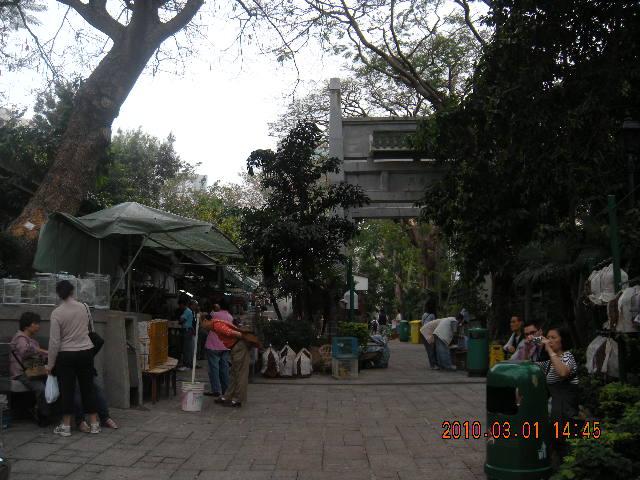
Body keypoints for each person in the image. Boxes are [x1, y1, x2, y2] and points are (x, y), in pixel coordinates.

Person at [47, 280, 99, 437]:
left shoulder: (57, 313)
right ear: (72, 291)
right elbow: (91, 329)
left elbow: (54, 342)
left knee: (67, 390)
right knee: (88, 388)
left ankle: (66, 426)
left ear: (58, 294)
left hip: (66, 355)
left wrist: (50, 364)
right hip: (85, 352)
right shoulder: (84, 307)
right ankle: (94, 424)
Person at [536, 326, 579, 460]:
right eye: (548, 338)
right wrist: (531, 343)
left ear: (562, 340)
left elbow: (563, 372)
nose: (549, 341)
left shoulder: (568, 356)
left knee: (565, 448)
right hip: (555, 412)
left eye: (553, 338)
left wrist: (549, 350)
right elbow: (530, 366)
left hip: (566, 412)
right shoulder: (549, 363)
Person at [200, 313, 251, 407]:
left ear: (205, 321)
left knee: (240, 374)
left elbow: (234, 333)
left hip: (239, 346)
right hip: (236, 347)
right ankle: (228, 396)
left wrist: (246, 338)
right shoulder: (216, 324)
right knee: (233, 373)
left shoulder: (217, 325)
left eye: (201, 324)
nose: (201, 327)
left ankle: (238, 400)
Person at [10, 312, 49, 424]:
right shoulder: (20, 337)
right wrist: (43, 351)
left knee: (53, 381)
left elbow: (38, 357)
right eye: (35, 323)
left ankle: (39, 409)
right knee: (41, 388)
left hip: (33, 370)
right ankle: (43, 415)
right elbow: (25, 350)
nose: (38, 326)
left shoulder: (32, 340)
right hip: (22, 373)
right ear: (27, 325)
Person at [203, 298, 234, 398]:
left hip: (213, 345)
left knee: (214, 369)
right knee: (224, 369)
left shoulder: (214, 314)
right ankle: (226, 390)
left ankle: (216, 390)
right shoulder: (230, 317)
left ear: (220, 305)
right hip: (225, 346)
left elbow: (205, 324)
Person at [178, 297, 196, 371]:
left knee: (187, 349)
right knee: (187, 348)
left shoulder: (187, 311)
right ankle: (187, 364)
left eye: (180, 305)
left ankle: (187, 365)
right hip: (188, 330)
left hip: (187, 331)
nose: (179, 307)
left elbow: (181, 320)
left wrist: (180, 319)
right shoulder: (187, 311)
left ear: (182, 304)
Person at [420, 300, 438, 369]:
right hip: (429, 333)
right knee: (432, 349)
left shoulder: (424, 314)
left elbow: (422, 323)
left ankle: (432, 364)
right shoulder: (433, 315)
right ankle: (433, 365)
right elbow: (434, 325)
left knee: (429, 349)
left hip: (423, 332)